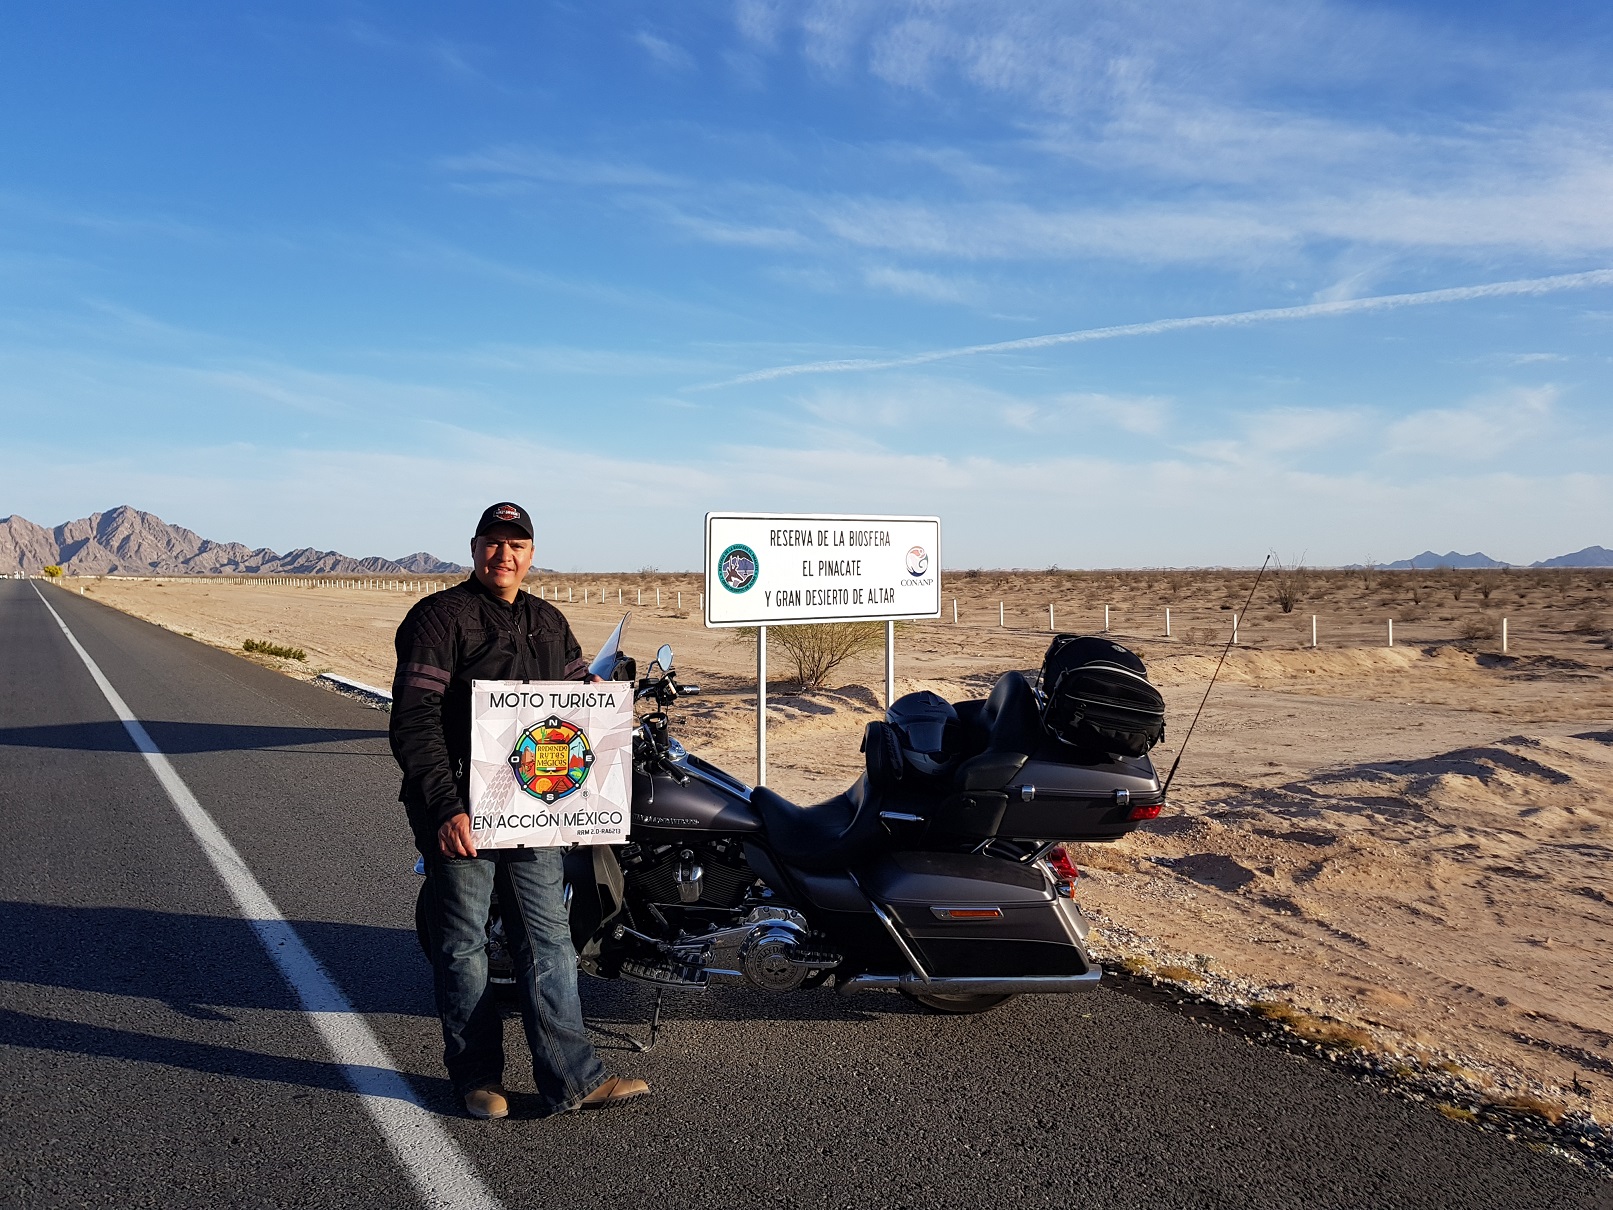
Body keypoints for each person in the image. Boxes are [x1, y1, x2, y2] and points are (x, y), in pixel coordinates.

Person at [390, 501, 649, 1120]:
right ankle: (476, 1078)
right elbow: (414, 719)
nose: (503, 556)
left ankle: (573, 1078)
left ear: (531, 554)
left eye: (516, 545)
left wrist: (613, 720)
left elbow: (578, 697)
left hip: (536, 810)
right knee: (463, 945)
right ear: (474, 547)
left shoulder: (549, 622)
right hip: (462, 810)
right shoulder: (439, 618)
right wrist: (445, 807)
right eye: (492, 542)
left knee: (549, 938)